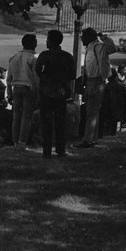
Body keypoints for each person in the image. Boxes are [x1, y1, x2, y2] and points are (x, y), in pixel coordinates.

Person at [34, 29, 76, 158]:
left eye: (47, 40)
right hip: (61, 92)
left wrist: (45, 79)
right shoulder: (67, 56)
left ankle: (46, 150)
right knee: (60, 122)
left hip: (46, 92)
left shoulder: (45, 55)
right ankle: (60, 149)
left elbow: (37, 70)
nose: (46, 42)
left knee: (46, 122)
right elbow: (72, 74)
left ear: (51, 42)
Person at [75, 27, 111, 149]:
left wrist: (104, 37)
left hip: (96, 81)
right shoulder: (91, 48)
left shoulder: (98, 47)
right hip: (90, 81)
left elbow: (112, 48)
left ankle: (88, 139)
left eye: (83, 36)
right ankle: (93, 138)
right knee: (93, 111)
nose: (81, 39)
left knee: (91, 111)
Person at [7, 33, 38, 150]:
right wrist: (37, 92)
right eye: (34, 42)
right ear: (31, 44)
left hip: (16, 88)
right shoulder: (32, 59)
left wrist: (9, 92)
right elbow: (35, 78)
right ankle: (22, 142)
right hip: (28, 88)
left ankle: (15, 142)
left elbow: (8, 78)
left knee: (16, 116)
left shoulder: (14, 57)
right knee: (26, 117)